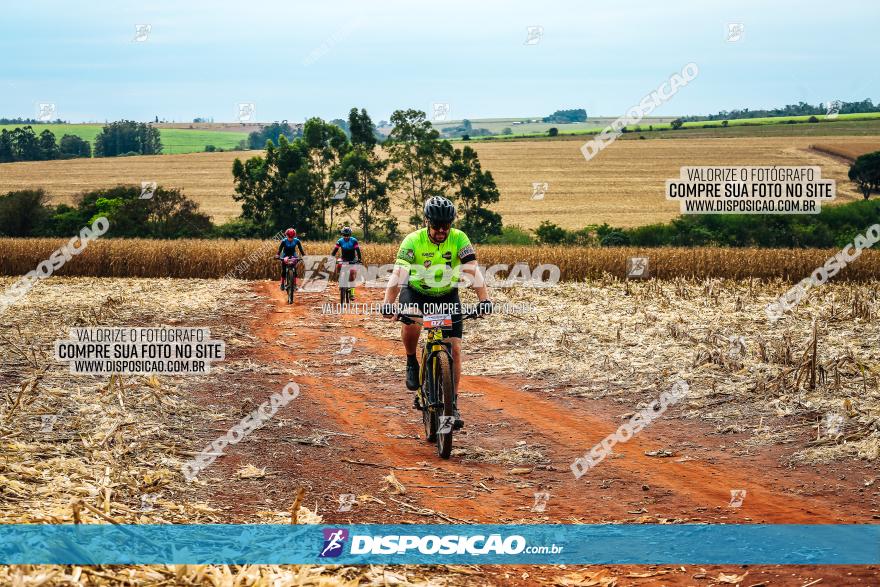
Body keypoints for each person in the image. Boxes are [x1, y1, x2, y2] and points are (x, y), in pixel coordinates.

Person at [381, 196, 492, 428]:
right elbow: (399, 274)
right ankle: (412, 360)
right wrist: (388, 302)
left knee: (455, 348)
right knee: (410, 319)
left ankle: (452, 403)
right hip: (417, 291)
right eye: (436, 226)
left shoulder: (459, 238)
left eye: (446, 226)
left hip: (446, 295)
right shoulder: (413, 240)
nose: (441, 230)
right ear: (426, 222)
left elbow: (472, 270)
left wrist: (484, 300)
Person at [329, 226, 362, 298]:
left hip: (352, 259)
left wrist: (359, 259)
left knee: (352, 274)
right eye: (344, 235)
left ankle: (352, 293)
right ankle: (340, 278)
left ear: (350, 235)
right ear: (342, 235)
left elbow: (358, 250)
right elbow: (335, 250)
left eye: (347, 235)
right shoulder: (340, 241)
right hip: (343, 259)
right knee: (338, 264)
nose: (346, 237)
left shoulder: (354, 241)